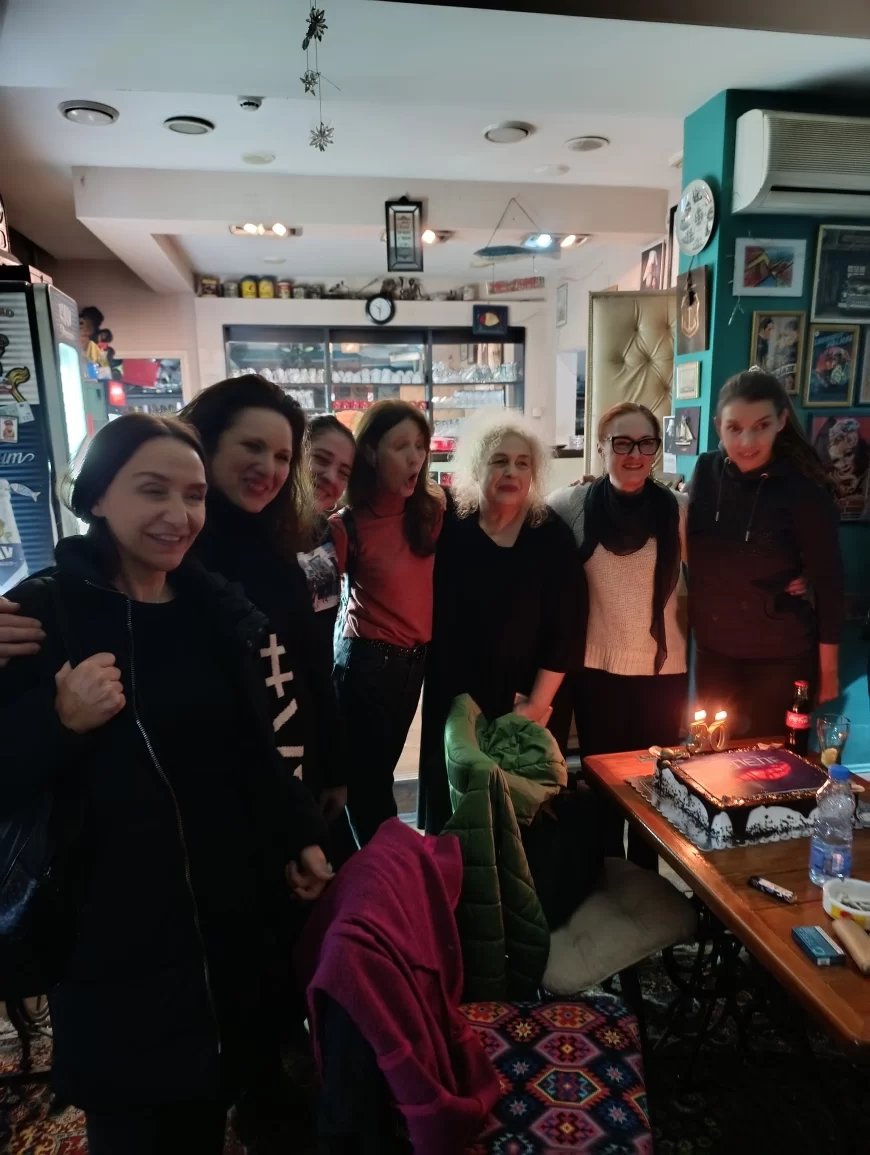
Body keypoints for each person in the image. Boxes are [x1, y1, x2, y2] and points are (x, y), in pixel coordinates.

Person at [0, 414, 330, 1155]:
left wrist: (299, 832)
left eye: (193, 495)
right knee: (136, 1126)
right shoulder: (43, 614)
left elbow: (254, 749)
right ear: (97, 497)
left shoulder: (213, 610)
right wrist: (59, 722)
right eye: (153, 490)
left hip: (224, 921)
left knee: (207, 1110)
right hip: (111, 939)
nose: (179, 514)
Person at [179, 376, 345, 823]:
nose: (269, 469)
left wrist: (333, 767)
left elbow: (312, 661)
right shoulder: (174, 547)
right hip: (215, 792)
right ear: (206, 444)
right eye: (252, 447)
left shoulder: (288, 543)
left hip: (293, 768)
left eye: (282, 457)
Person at [418, 413, 582, 836]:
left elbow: (567, 632)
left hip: (525, 704)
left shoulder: (552, 535)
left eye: (523, 463)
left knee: (519, 828)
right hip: (454, 702)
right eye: (499, 461)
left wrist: (534, 709)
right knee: (454, 825)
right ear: (476, 466)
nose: (512, 472)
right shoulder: (449, 523)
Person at [548, 403, 687, 862]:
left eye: (645, 444)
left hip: (663, 674)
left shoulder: (679, 511)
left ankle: (648, 883)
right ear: (601, 448)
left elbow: (723, 569)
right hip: (596, 671)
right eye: (622, 443)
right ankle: (608, 878)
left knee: (655, 794)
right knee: (605, 792)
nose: (634, 454)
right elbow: (527, 541)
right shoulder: (571, 504)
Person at [688, 370, 845, 737]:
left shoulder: (803, 487)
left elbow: (830, 583)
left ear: (781, 421)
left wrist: (829, 672)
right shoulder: (706, 471)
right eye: (734, 428)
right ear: (718, 426)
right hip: (713, 651)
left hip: (780, 657)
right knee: (710, 758)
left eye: (761, 426)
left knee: (772, 762)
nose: (747, 441)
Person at [328, 400, 443, 847]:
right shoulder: (347, 526)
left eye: (420, 446)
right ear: (371, 453)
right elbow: (310, 605)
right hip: (366, 666)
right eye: (401, 447)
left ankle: (373, 871)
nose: (415, 458)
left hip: (413, 666)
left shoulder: (430, 512)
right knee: (370, 792)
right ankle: (386, 875)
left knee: (377, 780)